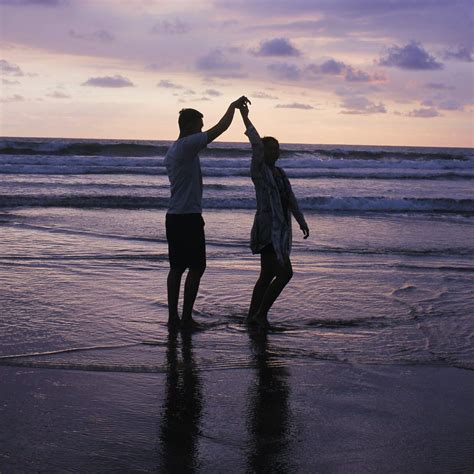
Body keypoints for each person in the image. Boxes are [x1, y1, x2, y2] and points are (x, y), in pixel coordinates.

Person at [164, 96, 250, 329]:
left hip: (174, 216)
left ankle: (174, 318)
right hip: (188, 217)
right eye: (199, 126)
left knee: (177, 268)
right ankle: (185, 318)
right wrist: (232, 107)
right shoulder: (187, 145)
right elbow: (220, 129)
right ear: (190, 126)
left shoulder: (174, 149)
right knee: (197, 267)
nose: (202, 130)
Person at [239, 102, 309, 327]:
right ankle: (260, 315)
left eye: (277, 148)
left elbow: (290, 199)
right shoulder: (259, 172)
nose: (274, 152)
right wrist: (245, 117)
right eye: (270, 148)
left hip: (281, 230)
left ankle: (254, 316)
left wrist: (301, 221)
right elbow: (255, 146)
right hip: (268, 230)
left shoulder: (280, 173)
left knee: (267, 274)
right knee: (285, 273)